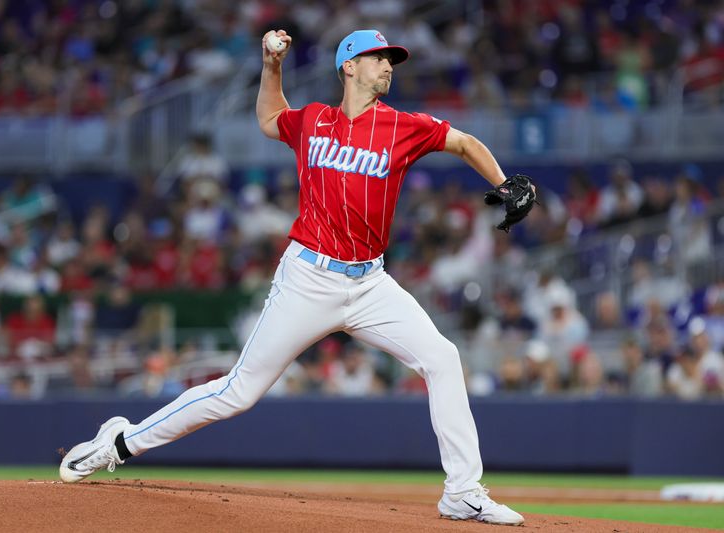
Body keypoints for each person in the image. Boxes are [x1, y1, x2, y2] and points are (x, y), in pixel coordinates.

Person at [60, 29, 528, 526]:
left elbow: (463, 142)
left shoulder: (402, 126)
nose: (388, 66)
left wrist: (502, 183)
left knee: (443, 358)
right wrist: (271, 64)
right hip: (309, 278)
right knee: (239, 392)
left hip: (370, 284)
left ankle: (462, 492)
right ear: (349, 66)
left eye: (391, 59)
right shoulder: (313, 121)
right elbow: (267, 117)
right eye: (378, 58)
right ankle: (120, 442)